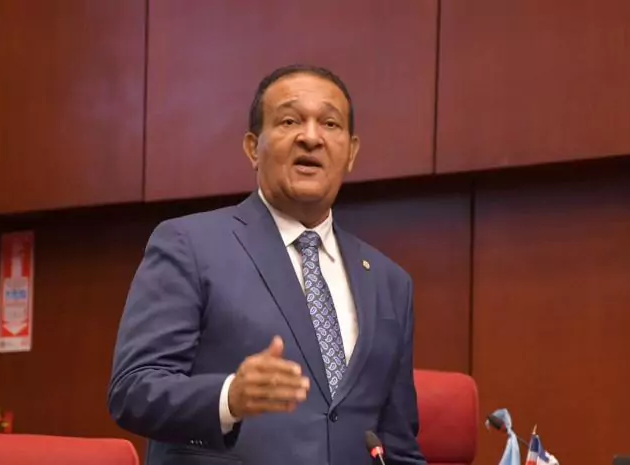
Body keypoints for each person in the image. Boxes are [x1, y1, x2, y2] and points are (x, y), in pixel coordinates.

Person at [108, 64, 425, 465]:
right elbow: (133, 390)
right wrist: (229, 398)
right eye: (290, 121)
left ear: (351, 152)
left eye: (330, 124)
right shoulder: (190, 245)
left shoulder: (389, 282)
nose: (311, 137)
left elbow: (396, 444)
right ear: (252, 148)